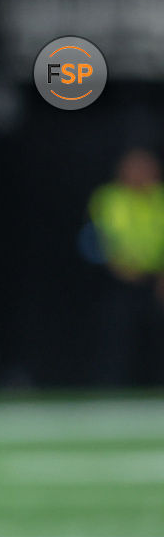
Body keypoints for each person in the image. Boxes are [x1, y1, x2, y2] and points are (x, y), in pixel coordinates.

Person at [83, 147, 164, 385]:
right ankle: (111, 388)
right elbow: (93, 238)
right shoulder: (109, 198)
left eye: (146, 167)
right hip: (117, 280)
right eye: (135, 167)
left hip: (155, 281)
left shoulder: (160, 198)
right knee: (116, 337)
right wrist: (115, 263)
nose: (141, 173)